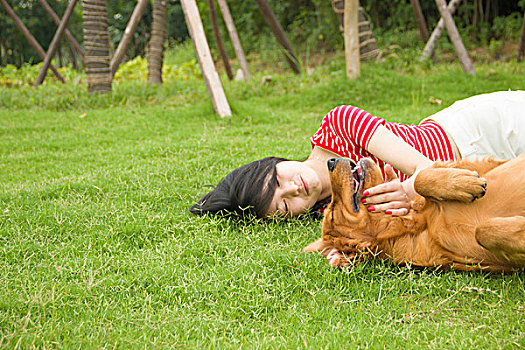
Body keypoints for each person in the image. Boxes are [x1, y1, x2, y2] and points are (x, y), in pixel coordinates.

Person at [190, 90, 525, 219]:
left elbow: (423, 168)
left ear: (275, 162)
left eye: (277, 180)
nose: (293, 188)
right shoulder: (334, 212)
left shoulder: (338, 125)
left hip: (475, 134)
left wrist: (412, 188)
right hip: (483, 181)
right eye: (283, 204)